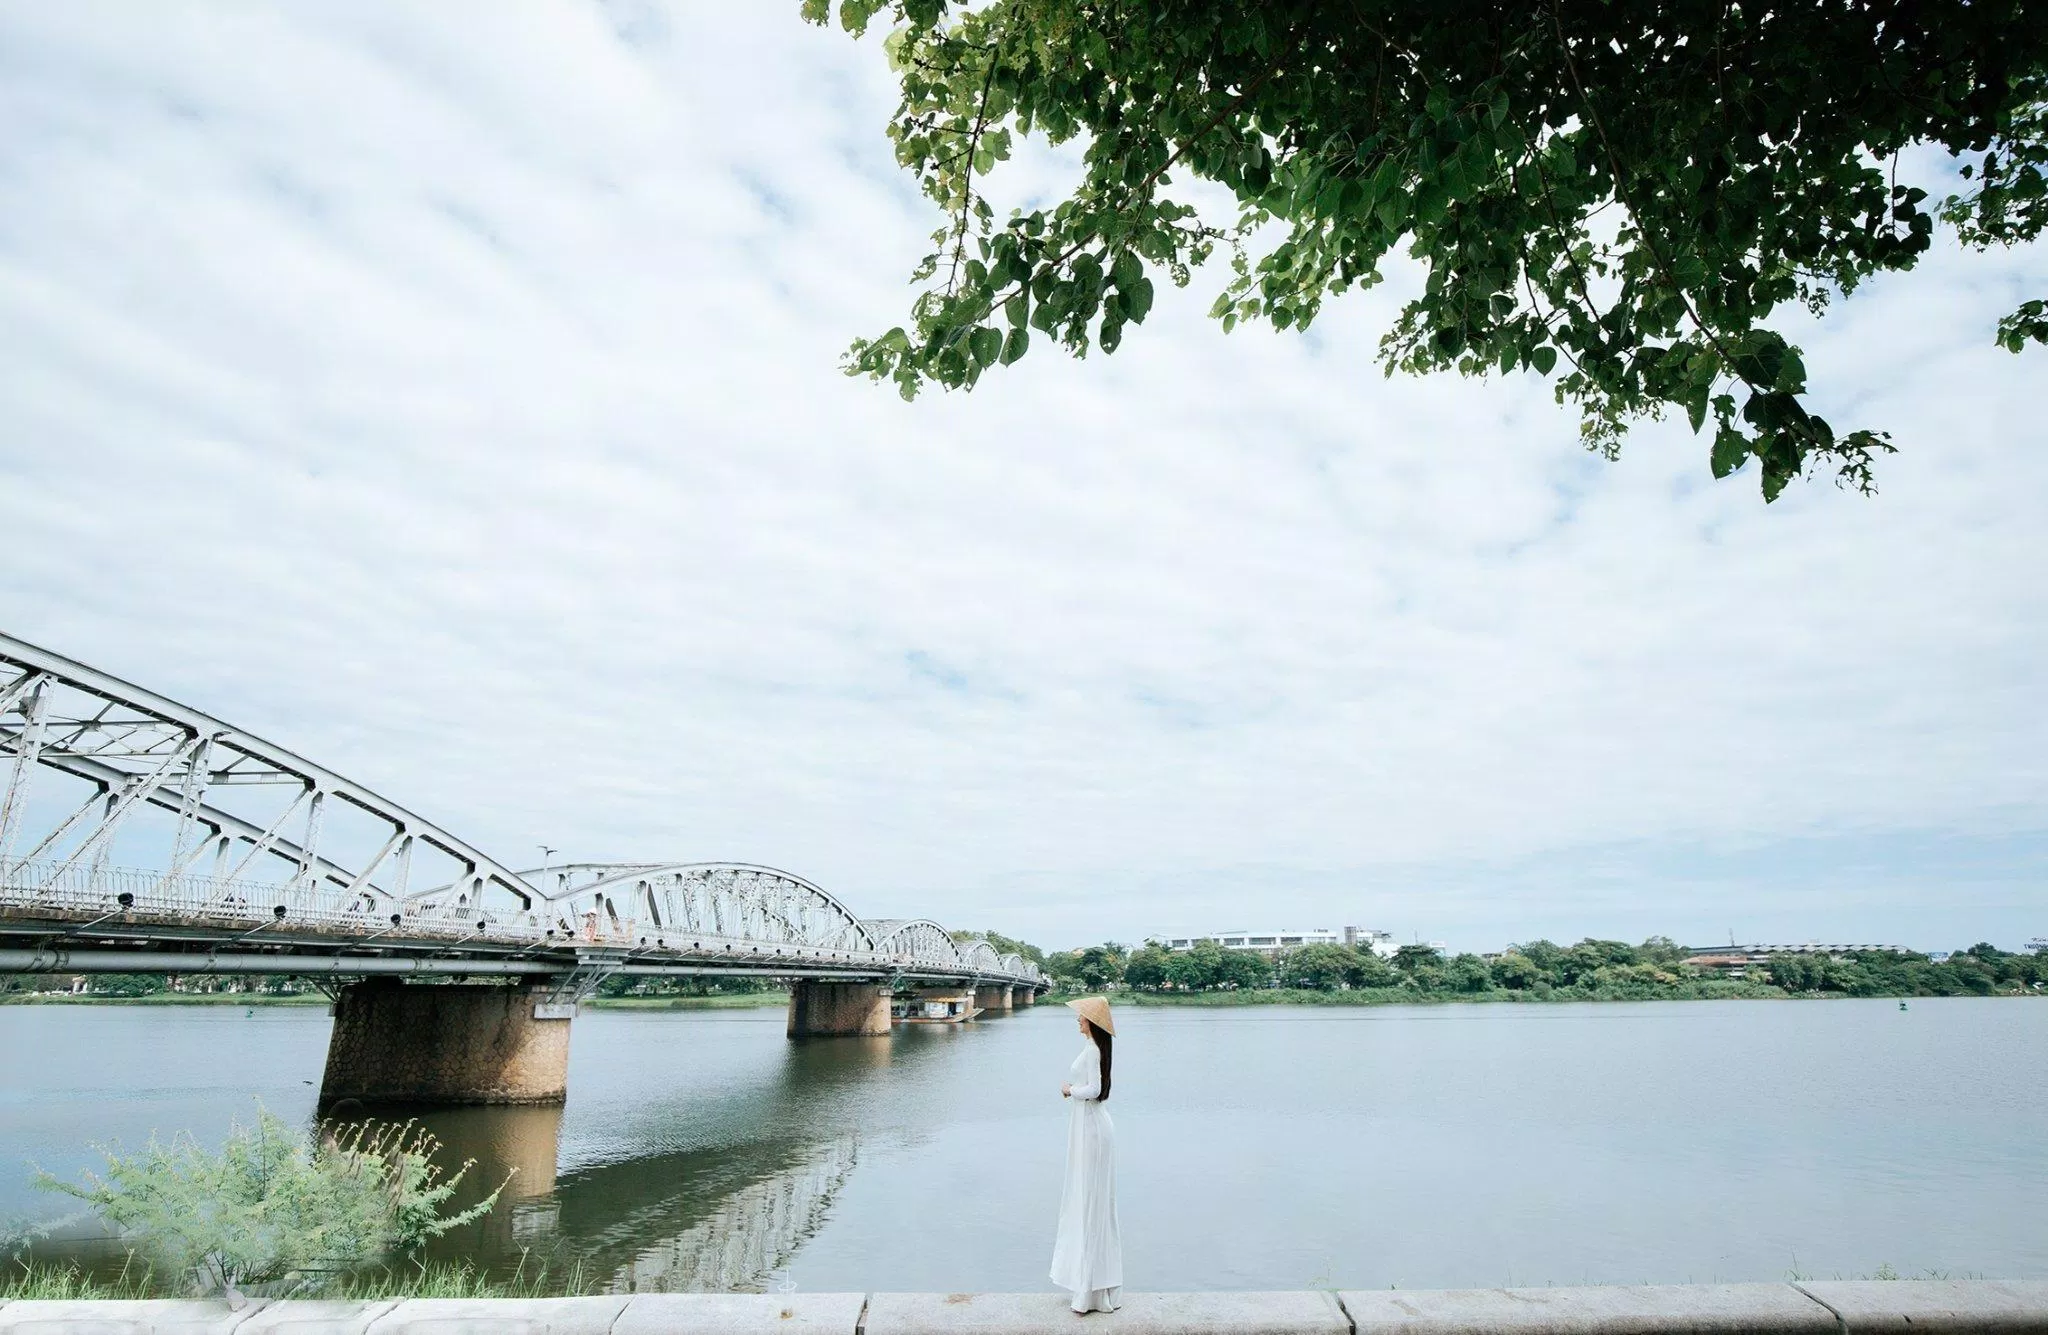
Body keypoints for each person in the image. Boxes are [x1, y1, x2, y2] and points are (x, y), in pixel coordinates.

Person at [1050, 995, 1121, 1314]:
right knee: (1089, 1203)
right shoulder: (1093, 1049)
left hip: (1092, 1129)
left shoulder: (1093, 1051)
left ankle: (1090, 1291)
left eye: (1081, 1017)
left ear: (1091, 1022)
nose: (1077, 1020)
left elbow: (1094, 1090)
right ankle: (1090, 1287)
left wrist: (1068, 1090)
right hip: (1088, 1128)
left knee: (1090, 1204)